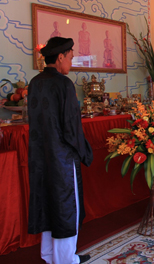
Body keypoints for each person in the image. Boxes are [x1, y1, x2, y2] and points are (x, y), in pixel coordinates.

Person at [28, 37, 93, 263]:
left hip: (40, 156)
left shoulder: (35, 82)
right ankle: (66, 259)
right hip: (62, 158)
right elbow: (71, 126)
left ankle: (49, 255)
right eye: (71, 57)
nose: (72, 61)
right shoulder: (64, 84)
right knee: (66, 206)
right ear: (60, 57)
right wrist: (84, 153)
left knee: (48, 203)